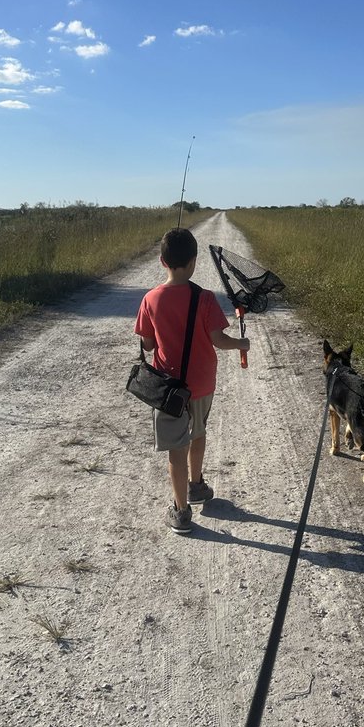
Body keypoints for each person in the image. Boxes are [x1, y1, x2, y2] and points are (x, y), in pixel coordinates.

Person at [134, 228, 249, 534]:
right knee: (198, 433)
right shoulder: (205, 298)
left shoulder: (150, 299)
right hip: (201, 384)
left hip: (169, 391)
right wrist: (241, 344)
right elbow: (219, 340)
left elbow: (147, 345)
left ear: (162, 261)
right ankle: (196, 485)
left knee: (176, 448)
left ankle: (181, 511)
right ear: (195, 261)